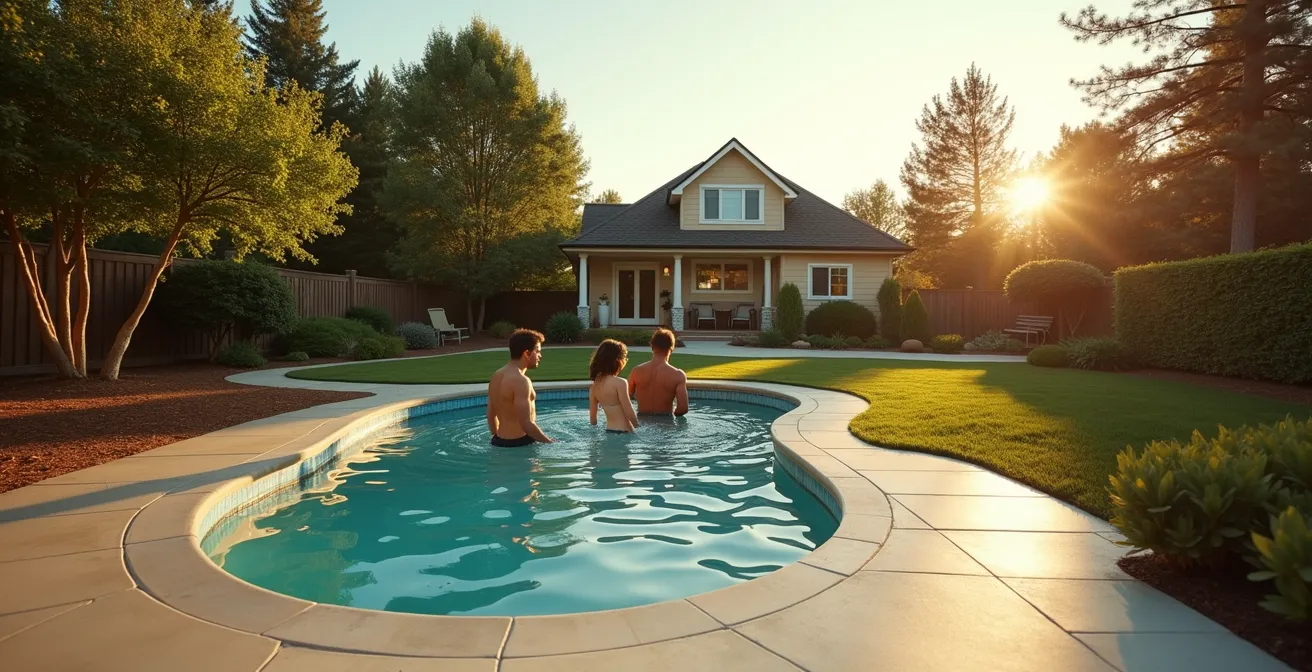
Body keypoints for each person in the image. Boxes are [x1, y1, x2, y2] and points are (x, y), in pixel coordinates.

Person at [487, 329, 553, 447]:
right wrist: (551, 443)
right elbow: (526, 424)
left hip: (497, 441)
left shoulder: (496, 376)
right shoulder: (521, 381)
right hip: (521, 443)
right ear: (526, 353)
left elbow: (490, 415)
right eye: (537, 351)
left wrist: (498, 436)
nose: (540, 356)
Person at [629, 328, 689, 416]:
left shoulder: (636, 371)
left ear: (652, 347)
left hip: (642, 422)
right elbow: (683, 409)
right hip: (666, 424)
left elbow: (625, 399)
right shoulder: (678, 375)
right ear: (671, 348)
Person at [588, 339, 639, 433]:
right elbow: (629, 412)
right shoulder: (620, 383)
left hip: (609, 431)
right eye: (624, 358)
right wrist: (638, 428)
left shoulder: (594, 388)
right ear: (618, 360)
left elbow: (593, 421)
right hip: (625, 432)